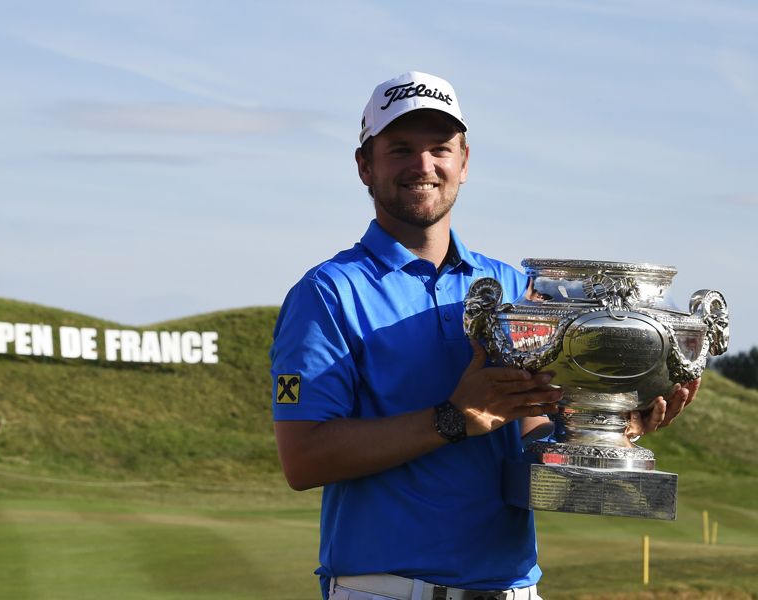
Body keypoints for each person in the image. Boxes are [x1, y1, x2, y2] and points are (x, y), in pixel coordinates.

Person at [271, 71, 699, 600]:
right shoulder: (327, 294)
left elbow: (532, 425)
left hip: (511, 590)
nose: (422, 166)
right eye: (401, 148)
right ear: (365, 165)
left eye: (440, 149)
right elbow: (304, 458)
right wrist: (454, 418)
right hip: (383, 590)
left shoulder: (516, 289)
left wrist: (607, 429)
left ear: (464, 162)